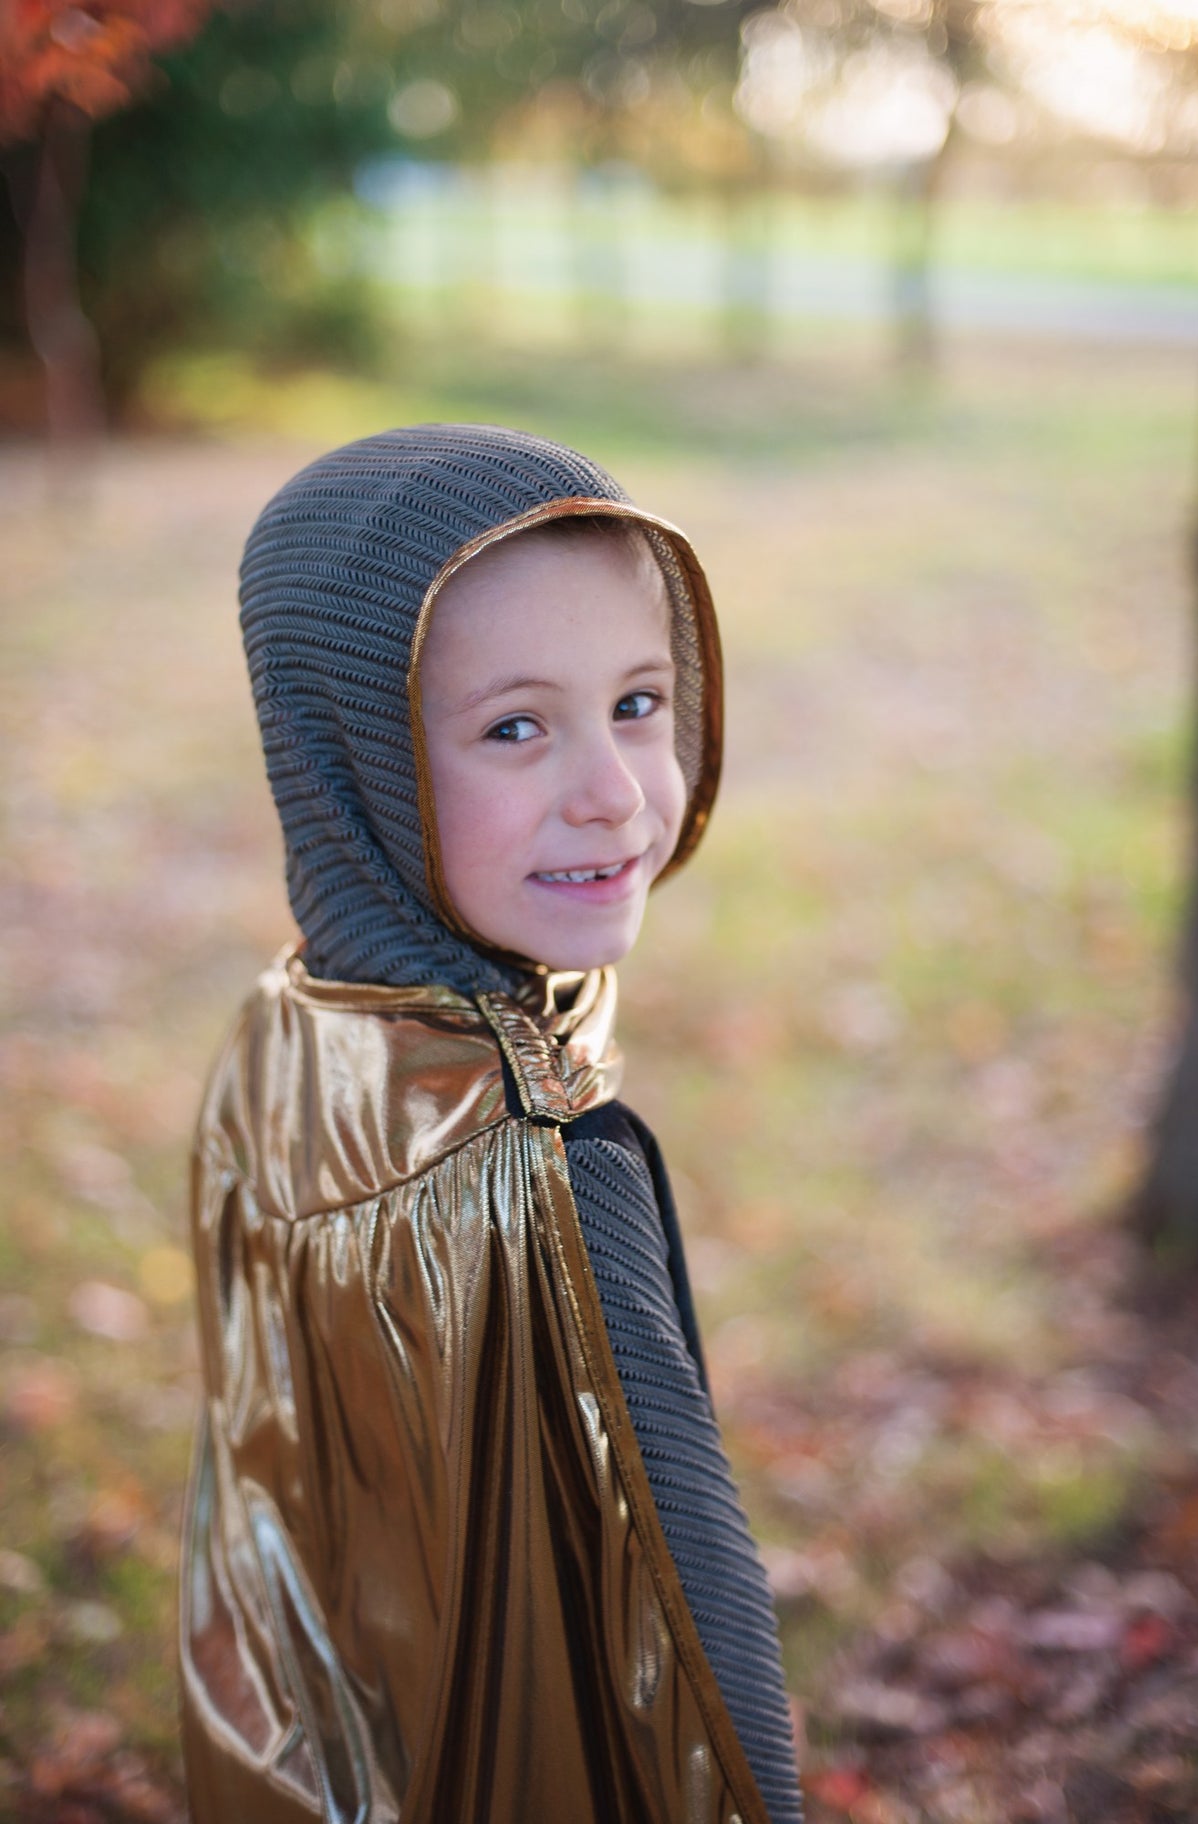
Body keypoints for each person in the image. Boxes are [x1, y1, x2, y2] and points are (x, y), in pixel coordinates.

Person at [179, 424, 803, 1824]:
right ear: (353, 751)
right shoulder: (543, 1161)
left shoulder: (288, 1036)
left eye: (638, 702)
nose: (613, 791)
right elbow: (705, 1654)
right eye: (515, 726)